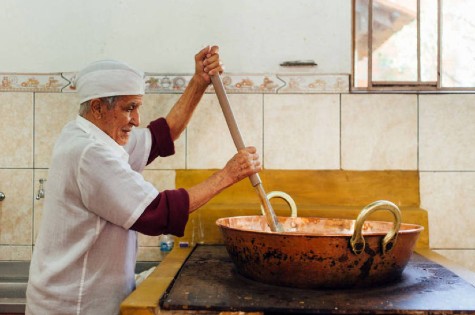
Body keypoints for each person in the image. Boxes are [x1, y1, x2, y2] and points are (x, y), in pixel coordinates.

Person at [25, 46, 262, 315]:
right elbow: (155, 213)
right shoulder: (90, 153)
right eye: (130, 108)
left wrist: (199, 82)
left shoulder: (96, 134)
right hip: (75, 305)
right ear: (98, 107)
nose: (136, 120)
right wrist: (229, 174)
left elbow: (163, 135)